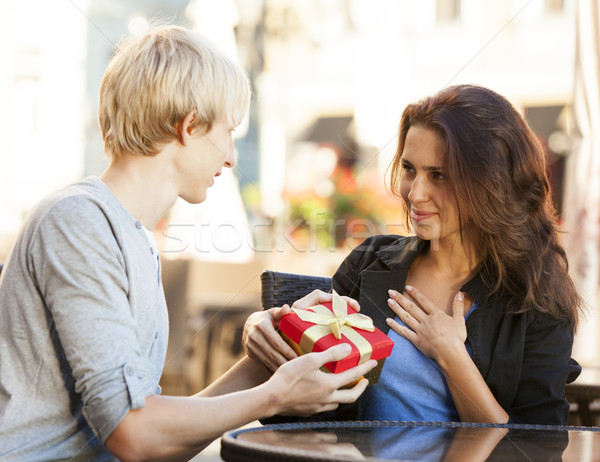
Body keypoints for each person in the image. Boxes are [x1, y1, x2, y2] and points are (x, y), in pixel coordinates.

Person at [0, 25, 377, 461]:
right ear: (190, 125)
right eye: (227, 132)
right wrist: (275, 397)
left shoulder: (134, 239)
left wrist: (267, 363)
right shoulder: (77, 222)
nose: (232, 157)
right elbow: (134, 435)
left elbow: (159, 435)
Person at [244, 84, 582, 426]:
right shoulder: (370, 262)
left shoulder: (536, 301)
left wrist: (452, 356)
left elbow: (536, 447)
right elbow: (300, 400)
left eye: (439, 175)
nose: (415, 193)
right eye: (409, 170)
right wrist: (266, 329)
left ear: (491, 183)